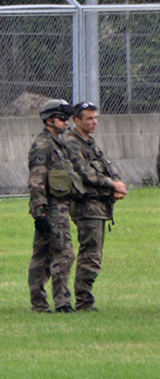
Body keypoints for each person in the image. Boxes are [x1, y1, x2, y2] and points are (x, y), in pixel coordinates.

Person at [65, 102, 129, 312]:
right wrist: (112, 186)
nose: (95, 122)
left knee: (94, 254)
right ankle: (84, 301)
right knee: (90, 254)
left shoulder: (89, 143)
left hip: (99, 205)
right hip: (86, 207)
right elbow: (86, 173)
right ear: (77, 120)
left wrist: (117, 184)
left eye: (96, 118)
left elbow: (108, 166)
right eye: (89, 118)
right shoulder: (73, 144)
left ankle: (84, 299)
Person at [27, 99, 81, 313]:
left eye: (67, 119)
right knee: (64, 253)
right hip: (51, 208)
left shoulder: (59, 145)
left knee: (41, 255)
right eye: (61, 119)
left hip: (58, 206)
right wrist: (40, 212)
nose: (66, 123)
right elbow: (36, 179)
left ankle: (39, 304)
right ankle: (62, 302)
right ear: (49, 120)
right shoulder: (43, 146)